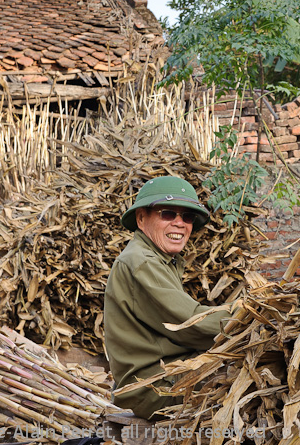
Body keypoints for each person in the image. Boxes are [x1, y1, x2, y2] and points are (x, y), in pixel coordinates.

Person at [104, 175, 230, 419]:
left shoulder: (159, 259)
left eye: (187, 217)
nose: (180, 223)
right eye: (168, 214)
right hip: (153, 388)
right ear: (141, 218)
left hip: (164, 376)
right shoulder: (142, 262)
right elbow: (190, 324)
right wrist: (253, 311)